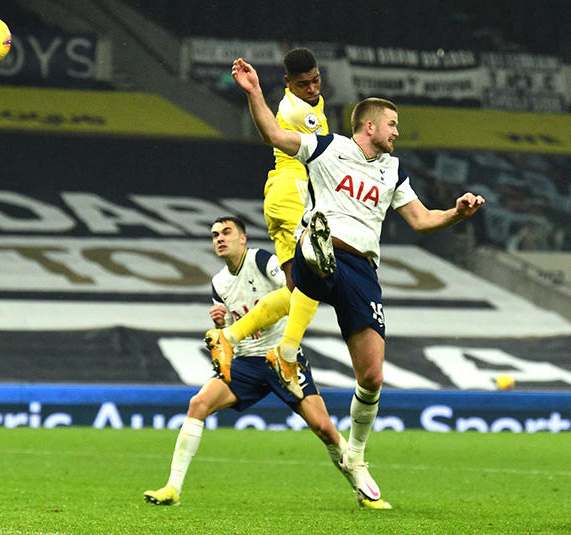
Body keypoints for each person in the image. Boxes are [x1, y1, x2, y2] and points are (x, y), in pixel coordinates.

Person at [231, 57, 485, 499]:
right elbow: (273, 134)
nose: (397, 132)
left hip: (362, 270)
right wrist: (254, 91)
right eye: (392, 124)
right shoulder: (327, 147)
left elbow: (422, 221)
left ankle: (356, 456)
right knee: (311, 247)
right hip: (321, 255)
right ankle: (314, 249)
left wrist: (457, 215)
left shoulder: (394, 170)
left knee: (372, 377)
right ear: (368, 127)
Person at [144, 216, 390, 509]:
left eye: (226, 232)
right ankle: (172, 488)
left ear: (243, 239)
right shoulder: (218, 283)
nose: (219, 239)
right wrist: (226, 323)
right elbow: (231, 329)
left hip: (279, 358)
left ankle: (363, 491)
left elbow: (294, 290)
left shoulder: (262, 260)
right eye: (214, 235)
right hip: (247, 362)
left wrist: (265, 316)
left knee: (324, 428)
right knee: (198, 404)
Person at [206, 48, 327, 393]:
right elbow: (273, 135)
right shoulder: (298, 109)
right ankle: (285, 354)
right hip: (294, 192)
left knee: (295, 289)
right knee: (317, 279)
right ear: (289, 84)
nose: (312, 88)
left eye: (315, 80)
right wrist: (255, 93)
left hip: (282, 193)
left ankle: (229, 338)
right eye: (303, 84)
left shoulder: (309, 102)